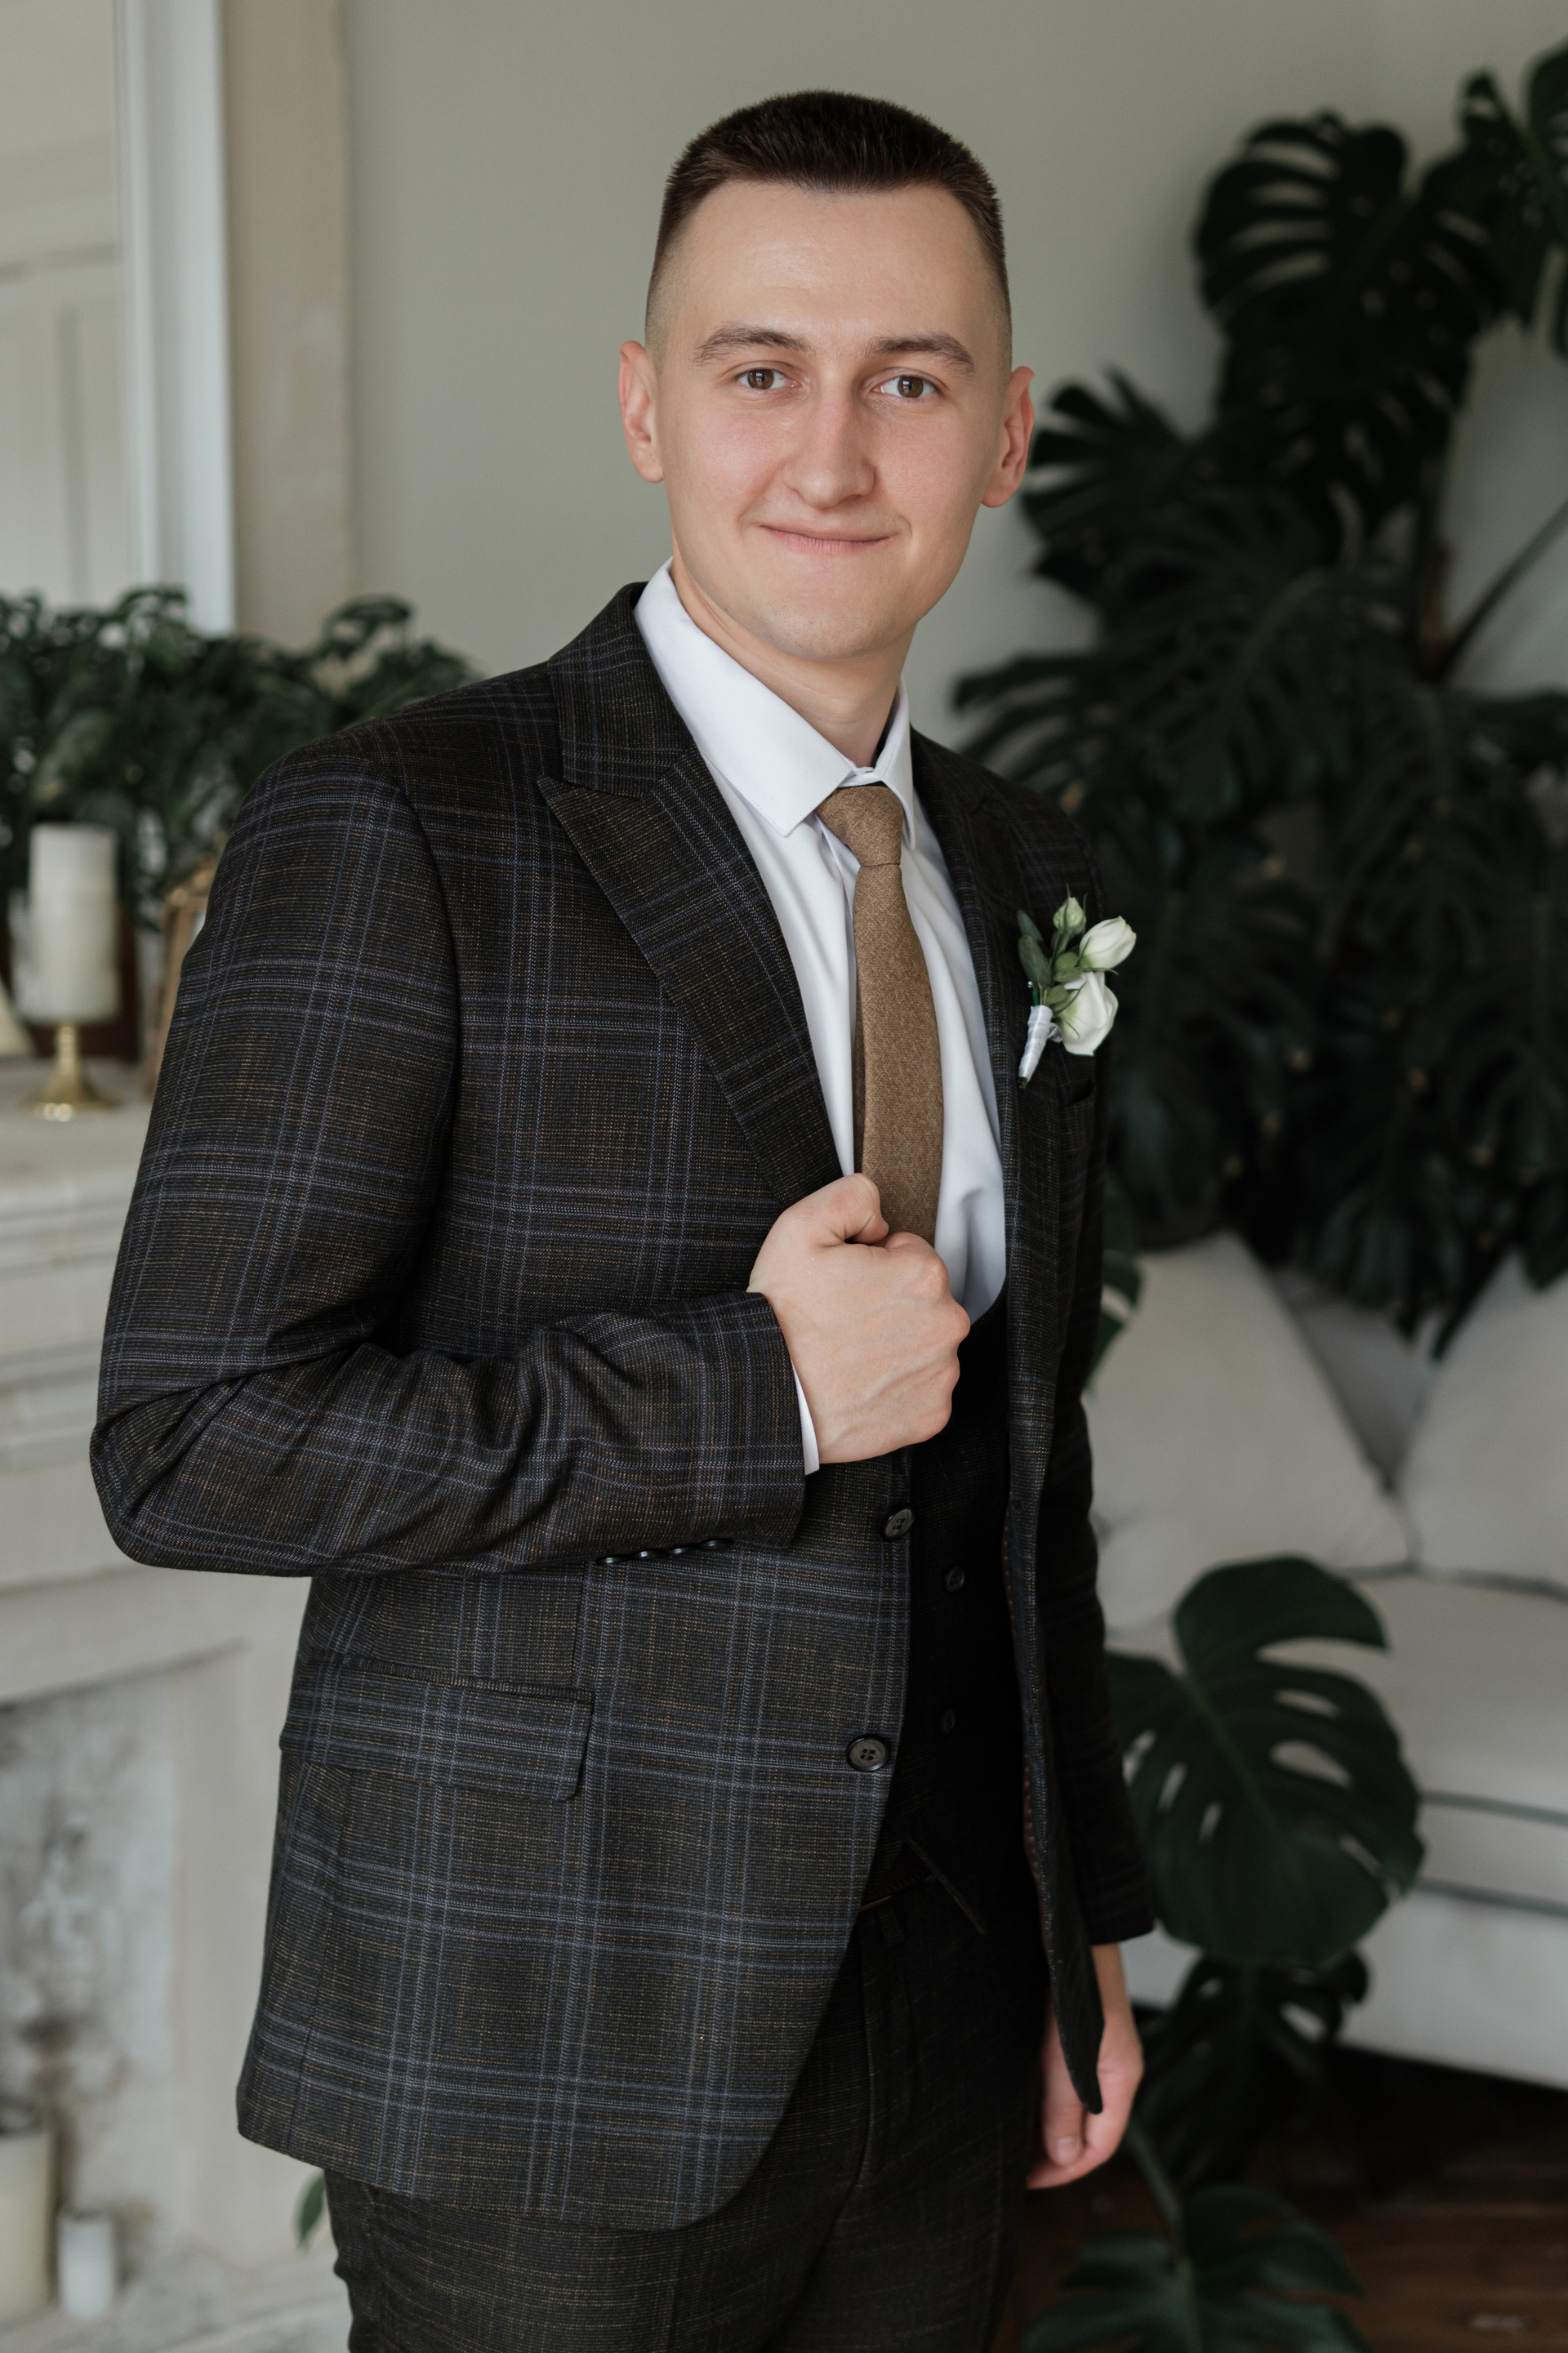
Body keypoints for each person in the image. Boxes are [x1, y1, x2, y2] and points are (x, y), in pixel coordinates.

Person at [92, 89, 1148, 2353]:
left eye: (910, 380)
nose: (833, 452)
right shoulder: (399, 830)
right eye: (763, 370)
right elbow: (190, 1442)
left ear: (1004, 435)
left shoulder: (1027, 867)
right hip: (540, 2044)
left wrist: (1075, 1927)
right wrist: (756, 1394)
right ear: (650, 409)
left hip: (944, 2010)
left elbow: (1027, 1474)